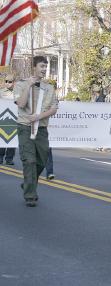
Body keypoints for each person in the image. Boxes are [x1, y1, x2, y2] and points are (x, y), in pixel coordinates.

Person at [14, 56, 58, 207]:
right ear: (34, 67)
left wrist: (39, 116)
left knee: (42, 160)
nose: (44, 69)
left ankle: (28, 182)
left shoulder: (49, 88)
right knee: (29, 161)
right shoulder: (20, 84)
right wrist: (29, 85)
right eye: (42, 66)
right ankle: (30, 196)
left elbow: (53, 109)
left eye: (46, 67)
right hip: (25, 127)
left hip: (41, 128)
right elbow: (20, 103)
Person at [0, 74, 16, 165]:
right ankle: (0, 157)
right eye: (6, 81)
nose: (7, 83)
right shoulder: (1, 92)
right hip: (3, 118)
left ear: (14, 83)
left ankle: (9, 159)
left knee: (12, 140)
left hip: (13, 119)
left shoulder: (18, 92)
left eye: (10, 82)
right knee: (2, 139)